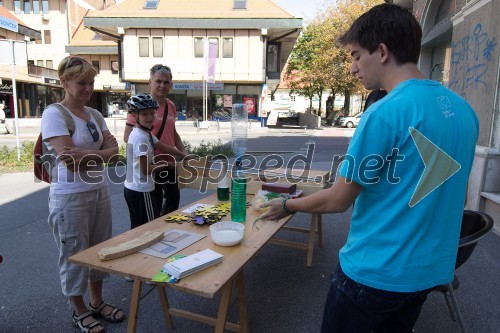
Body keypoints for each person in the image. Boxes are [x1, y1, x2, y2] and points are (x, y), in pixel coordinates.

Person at [260, 4, 478, 333]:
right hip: (428, 274)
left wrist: (287, 205)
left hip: (375, 273)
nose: (352, 68)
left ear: (382, 51)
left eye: (356, 55)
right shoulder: (464, 111)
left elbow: (337, 200)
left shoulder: (384, 113)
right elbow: (458, 197)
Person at [41, 56, 125, 333]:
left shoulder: (96, 115)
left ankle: (97, 302)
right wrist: (103, 153)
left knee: (99, 251)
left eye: (91, 83)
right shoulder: (55, 114)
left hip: (98, 191)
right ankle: (79, 310)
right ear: (64, 82)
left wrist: (94, 155)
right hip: (70, 196)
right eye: (81, 83)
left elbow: (114, 153)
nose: (88, 89)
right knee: (74, 254)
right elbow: (70, 161)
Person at [124, 64, 188, 216]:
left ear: (171, 85)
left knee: (173, 203)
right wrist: (146, 152)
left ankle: (167, 233)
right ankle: (155, 232)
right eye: (158, 81)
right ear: (150, 82)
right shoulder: (141, 105)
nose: (162, 85)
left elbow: (173, 132)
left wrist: (184, 153)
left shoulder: (171, 105)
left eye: (166, 82)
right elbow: (128, 137)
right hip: (151, 164)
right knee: (153, 206)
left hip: (169, 163)